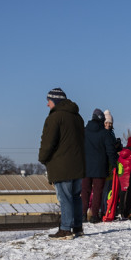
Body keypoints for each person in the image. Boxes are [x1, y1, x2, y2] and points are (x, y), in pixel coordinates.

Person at [38, 87, 86, 239]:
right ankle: (78, 227)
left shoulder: (54, 118)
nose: (47, 105)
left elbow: (48, 141)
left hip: (62, 164)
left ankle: (65, 229)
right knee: (76, 196)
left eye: (49, 101)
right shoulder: (78, 117)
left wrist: (43, 158)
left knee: (65, 197)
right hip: (78, 163)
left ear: (55, 101)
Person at [82, 108, 118, 224]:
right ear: (102, 120)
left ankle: (82, 214)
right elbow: (110, 151)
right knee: (97, 191)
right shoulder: (105, 133)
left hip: (85, 167)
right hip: (100, 167)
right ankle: (94, 216)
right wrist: (114, 164)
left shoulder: (83, 131)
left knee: (85, 191)